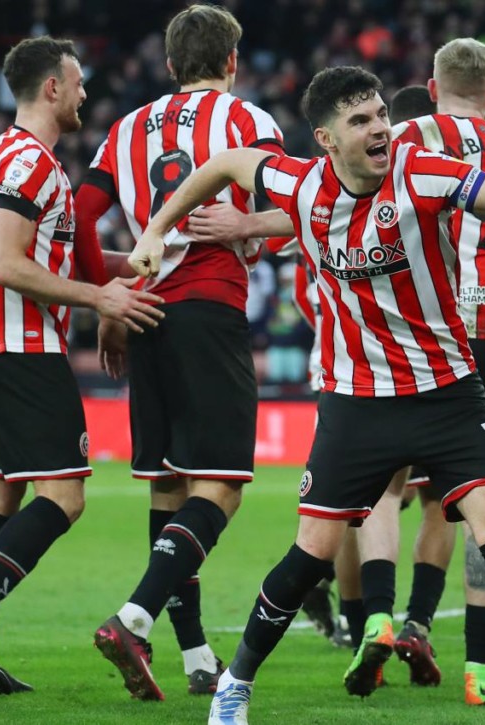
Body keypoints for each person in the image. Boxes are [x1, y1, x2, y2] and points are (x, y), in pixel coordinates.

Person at [128, 66, 485, 725]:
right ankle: (234, 686)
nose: (379, 129)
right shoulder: (299, 181)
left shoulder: (424, 172)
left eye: (379, 115)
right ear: (326, 139)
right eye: (360, 121)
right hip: (357, 401)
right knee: (312, 551)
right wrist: (155, 228)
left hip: (448, 393)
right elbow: (224, 161)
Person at [0, 36, 163, 695]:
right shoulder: (29, 162)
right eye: (79, 82)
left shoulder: (13, 157)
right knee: (63, 495)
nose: (86, 92)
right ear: (52, 89)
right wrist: (100, 296)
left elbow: (42, 256)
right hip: (21, 349)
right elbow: (8, 263)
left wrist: (131, 263)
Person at [74, 4, 285, 700]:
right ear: (231, 62)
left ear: (168, 66)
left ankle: (195, 654)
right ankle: (134, 618)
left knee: (169, 485)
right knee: (220, 485)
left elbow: (81, 215)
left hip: (143, 310)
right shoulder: (248, 122)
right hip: (208, 302)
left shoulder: (126, 127)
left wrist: (109, 298)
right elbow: (306, 205)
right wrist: (251, 223)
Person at [354, 38, 485, 705]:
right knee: (484, 501)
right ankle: (479, 668)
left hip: (422, 330)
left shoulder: (407, 135)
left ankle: (377, 616)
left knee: (383, 481)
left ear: (430, 87)